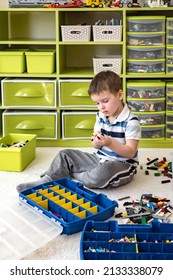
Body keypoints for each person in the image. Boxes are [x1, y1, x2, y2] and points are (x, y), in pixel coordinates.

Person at [16, 70, 141, 192]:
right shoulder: (101, 115)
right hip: (100, 159)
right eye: (97, 103)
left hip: (122, 165)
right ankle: (47, 180)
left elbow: (130, 152)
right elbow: (95, 146)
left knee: (104, 172)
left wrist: (109, 143)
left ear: (119, 95)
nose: (101, 107)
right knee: (65, 155)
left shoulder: (131, 122)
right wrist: (97, 143)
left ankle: (77, 175)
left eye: (105, 101)